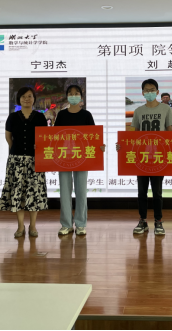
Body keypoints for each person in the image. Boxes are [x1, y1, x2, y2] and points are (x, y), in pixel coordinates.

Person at [117, 79, 172, 236]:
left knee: (157, 192)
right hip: (141, 157)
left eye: (152, 89)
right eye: (147, 90)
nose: (150, 92)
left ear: (157, 92)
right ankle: (142, 220)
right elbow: (132, 135)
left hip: (158, 156)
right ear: (142, 93)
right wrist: (122, 146)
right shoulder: (138, 111)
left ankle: (158, 221)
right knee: (141, 191)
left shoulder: (166, 109)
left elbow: (170, 134)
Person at [55, 85, 106, 237]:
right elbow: (54, 136)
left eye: (76, 93)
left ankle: (81, 224)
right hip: (64, 157)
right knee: (64, 191)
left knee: (81, 191)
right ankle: (66, 224)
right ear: (67, 97)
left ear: (81, 97)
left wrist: (100, 147)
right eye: (70, 94)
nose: (73, 96)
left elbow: (93, 136)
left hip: (82, 157)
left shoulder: (86, 115)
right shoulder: (61, 115)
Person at [0, 87, 49, 238]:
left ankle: (32, 226)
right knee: (18, 193)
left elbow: (45, 138)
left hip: (35, 160)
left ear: (34, 99)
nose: (26, 99)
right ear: (19, 99)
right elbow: (8, 137)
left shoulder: (40, 117)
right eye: (23, 96)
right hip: (16, 160)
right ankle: (20, 226)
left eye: (29, 96)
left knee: (34, 193)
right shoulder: (12, 117)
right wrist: (16, 149)